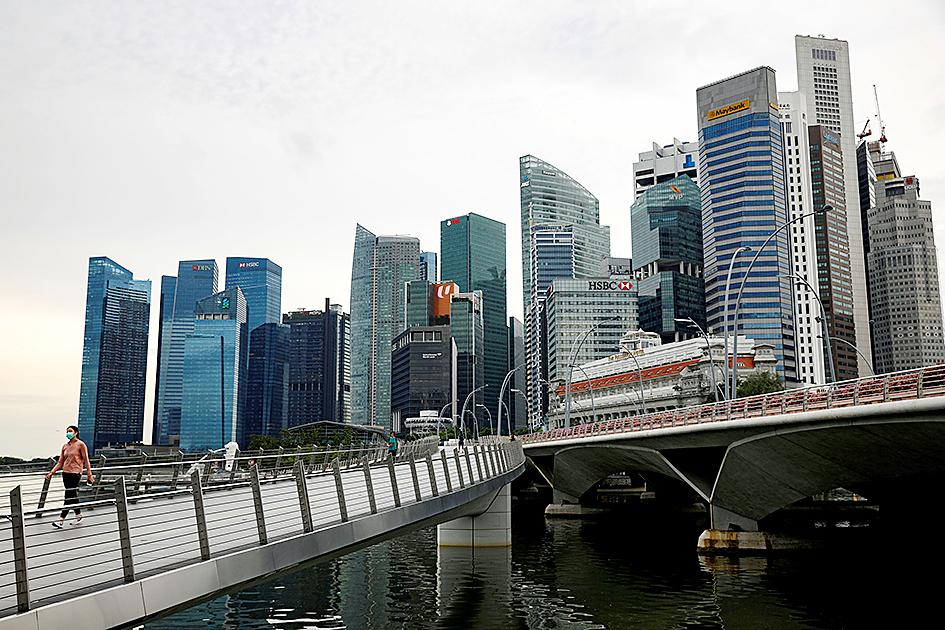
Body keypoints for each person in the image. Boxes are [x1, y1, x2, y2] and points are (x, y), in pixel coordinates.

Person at [45, 425, 95, 529]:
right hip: (66, 473)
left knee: (68, 495)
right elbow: (60, 462)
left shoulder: (81, 445)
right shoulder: (65, 446)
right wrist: (51, 472)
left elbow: (86, 460)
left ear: (76, 432)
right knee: (72, 495)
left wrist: (89, 475)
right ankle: (78, 515)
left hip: (75, 473)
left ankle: (61, 520)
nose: (68, 433)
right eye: (67, 431)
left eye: (70, 431)